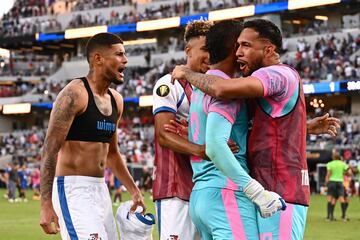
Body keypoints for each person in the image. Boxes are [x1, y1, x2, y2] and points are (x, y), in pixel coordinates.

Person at [172, 19, 312, 240]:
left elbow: (221, 90)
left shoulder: (276, 75)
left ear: (268, 49)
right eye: (237, 45)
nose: (239, 52)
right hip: (238, 192)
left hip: (275, 190)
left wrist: (187, 73)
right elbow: (229, 137)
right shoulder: (236, 90)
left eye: (245, 45)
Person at [39, 32, 145, 239]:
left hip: (100, 189)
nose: (125, 60)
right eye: (119, 54)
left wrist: (134, 190)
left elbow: (112, 154)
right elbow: (49, 150)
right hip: (72, 190)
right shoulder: (74, 94)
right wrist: (45, 204)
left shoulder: (116, 100)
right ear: (98, 59)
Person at [187, 20, 285, 239]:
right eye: (241, 45)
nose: (243, 50)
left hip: (201, 195)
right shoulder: (225, 91)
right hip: (227, 193)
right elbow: (215, 146)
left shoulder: (202, 87)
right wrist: (255, 191)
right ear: (234, 50)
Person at [152, 19, 213, 240]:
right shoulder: (169, 84)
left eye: (213, 50)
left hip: (206, 189)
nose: (210, 55)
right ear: (188, 50)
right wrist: (201, 149)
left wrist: (193, 132)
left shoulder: (212, 86)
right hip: (175, 187)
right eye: (205, 49)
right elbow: (164, 135)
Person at [325, 149, 351, 221]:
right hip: (340, 182)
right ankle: (343, 216)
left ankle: (329, 216)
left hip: (332, 181)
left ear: (333, 157)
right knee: (341, 198)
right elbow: (349, 173)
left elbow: (328, 174)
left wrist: (326, 182)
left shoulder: (330, 164)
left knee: (330, 198)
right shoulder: (343, 164)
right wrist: (344, 173)